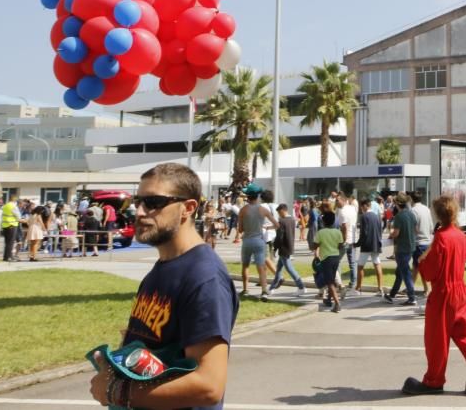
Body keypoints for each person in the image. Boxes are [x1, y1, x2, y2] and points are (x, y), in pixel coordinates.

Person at [88, 162, 238, 410]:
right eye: (139, 201)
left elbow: (209, 385)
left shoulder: (204, 277)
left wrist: (116, 391)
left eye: (154, 203)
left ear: (188, 208)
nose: (139, 212)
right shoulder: (161, 270)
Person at [402, 196, 466, 397]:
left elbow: (430, 272)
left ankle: (434, 381)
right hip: (460, 290)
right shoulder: (459, 235)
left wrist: (422, 260)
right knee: (464, 336)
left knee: (436, 339)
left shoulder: (441, 237)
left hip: (443, 293)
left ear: (438, 214)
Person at [237, 184, 278, 301]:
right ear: (257, 197)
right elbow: (277, 224)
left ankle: (245, 289)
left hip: (247, 241)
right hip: (259, 240)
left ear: (248, 196)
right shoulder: (263, 209)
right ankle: (264, 291)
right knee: (261, 267)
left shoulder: (243, 210)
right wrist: (266, 228)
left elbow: (240, 229)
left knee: (245, 266)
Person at [385, 193, 417, 306]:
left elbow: (396, 233)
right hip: (411, 246)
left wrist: (391, 233)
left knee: (405, 273)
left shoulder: (399, 216)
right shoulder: (411, 214)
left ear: (398, 204)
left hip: (402, 248)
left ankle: (412, 297)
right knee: (400, 272)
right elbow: (416, 229)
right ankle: (392, 294)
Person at [269, 204, 307, 296]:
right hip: (290, 246)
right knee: (278, 270)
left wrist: (275, 248)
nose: (278, 215)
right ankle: (271, 288)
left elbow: (279, 237)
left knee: (290, 269)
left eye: (279, 212)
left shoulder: (282, 221)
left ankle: (301, 287)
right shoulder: (292, 220)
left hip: (283, 248)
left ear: (283, 210)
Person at [314, 210, 344, 313]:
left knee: (329, 281)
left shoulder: (321, 232)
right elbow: (340, 245)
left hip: (326, 258)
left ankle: (337, 303)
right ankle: (328, 299)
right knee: (332, 279)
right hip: (336, 257)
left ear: (323, 221)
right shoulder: (338, 231)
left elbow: (315, 245)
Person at [355, 198, 385, 296]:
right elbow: (380, 230)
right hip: (376, 243)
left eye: (361, 207)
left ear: (365, 206)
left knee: (360, 267)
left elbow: (364, 233)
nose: (360, 209)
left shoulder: (364, 217)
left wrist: (357, 244)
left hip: (366, 245)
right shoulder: (377, 216)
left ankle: (358, 288)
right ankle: (380, 288)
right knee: (377, 264)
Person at [410, 192, 434, 304]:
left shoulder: (413, 211)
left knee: (417, 267)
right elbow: (431, 226)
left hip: (418, 242)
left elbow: (414, 228)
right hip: (427, 241)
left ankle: (412, 289)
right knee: (420, 267)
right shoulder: (426, 209)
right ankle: (425, 289)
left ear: (411, 199)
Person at [336, 190, 359, 296]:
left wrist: (343, 241)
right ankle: (353, 283)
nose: (336, 202)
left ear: (343, 200)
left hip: (346, 240)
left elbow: (344, 227)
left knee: (337, 261)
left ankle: (338, 283)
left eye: (337, 200)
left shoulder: (342, 211)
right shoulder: (352, 208)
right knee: (352, 262)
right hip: (353, 238)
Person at [1, 193, 22, 262]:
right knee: (10, 243)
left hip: (5, 225)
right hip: (12, 225)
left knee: (7, 243)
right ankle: (9, 257)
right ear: (15, 199)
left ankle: (6, 257)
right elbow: (18, 217)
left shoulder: (5, 205)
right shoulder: (13, 206)